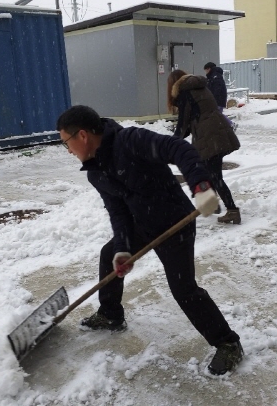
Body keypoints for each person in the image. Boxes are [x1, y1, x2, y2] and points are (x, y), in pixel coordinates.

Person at [56, 105, 244, 376]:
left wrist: (201, 186)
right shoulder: (96, 171)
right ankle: (111, 315)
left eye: (66, 143)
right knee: (109, 254)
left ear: (82, 135)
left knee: (184, 290)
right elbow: (118, 212)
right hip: (140, 225)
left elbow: (180, 149)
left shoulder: (130, 141)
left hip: (173, 223)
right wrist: (122, 249)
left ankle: (228, 344)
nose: (69, 150)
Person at [168, 70, 241, 224]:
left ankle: (232, 211)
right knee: (209, 171)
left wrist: (169, 146)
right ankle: (214, 206)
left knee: (215, 175)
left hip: (210, 136)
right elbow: (191, 122)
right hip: (217, 132)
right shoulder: (199, 88)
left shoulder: (185, 93)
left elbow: (182, 125)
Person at [204, 61, 235, 128]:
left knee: (217, 114)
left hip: (218, 99)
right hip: (217, 99)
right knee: (216, 115)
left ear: (209, 69)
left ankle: (230, 124)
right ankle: (224, 126)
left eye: (206, 70)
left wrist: (213, 99)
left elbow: (217, 89)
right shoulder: (213, 76)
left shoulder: (215, 76)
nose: (205, 72)